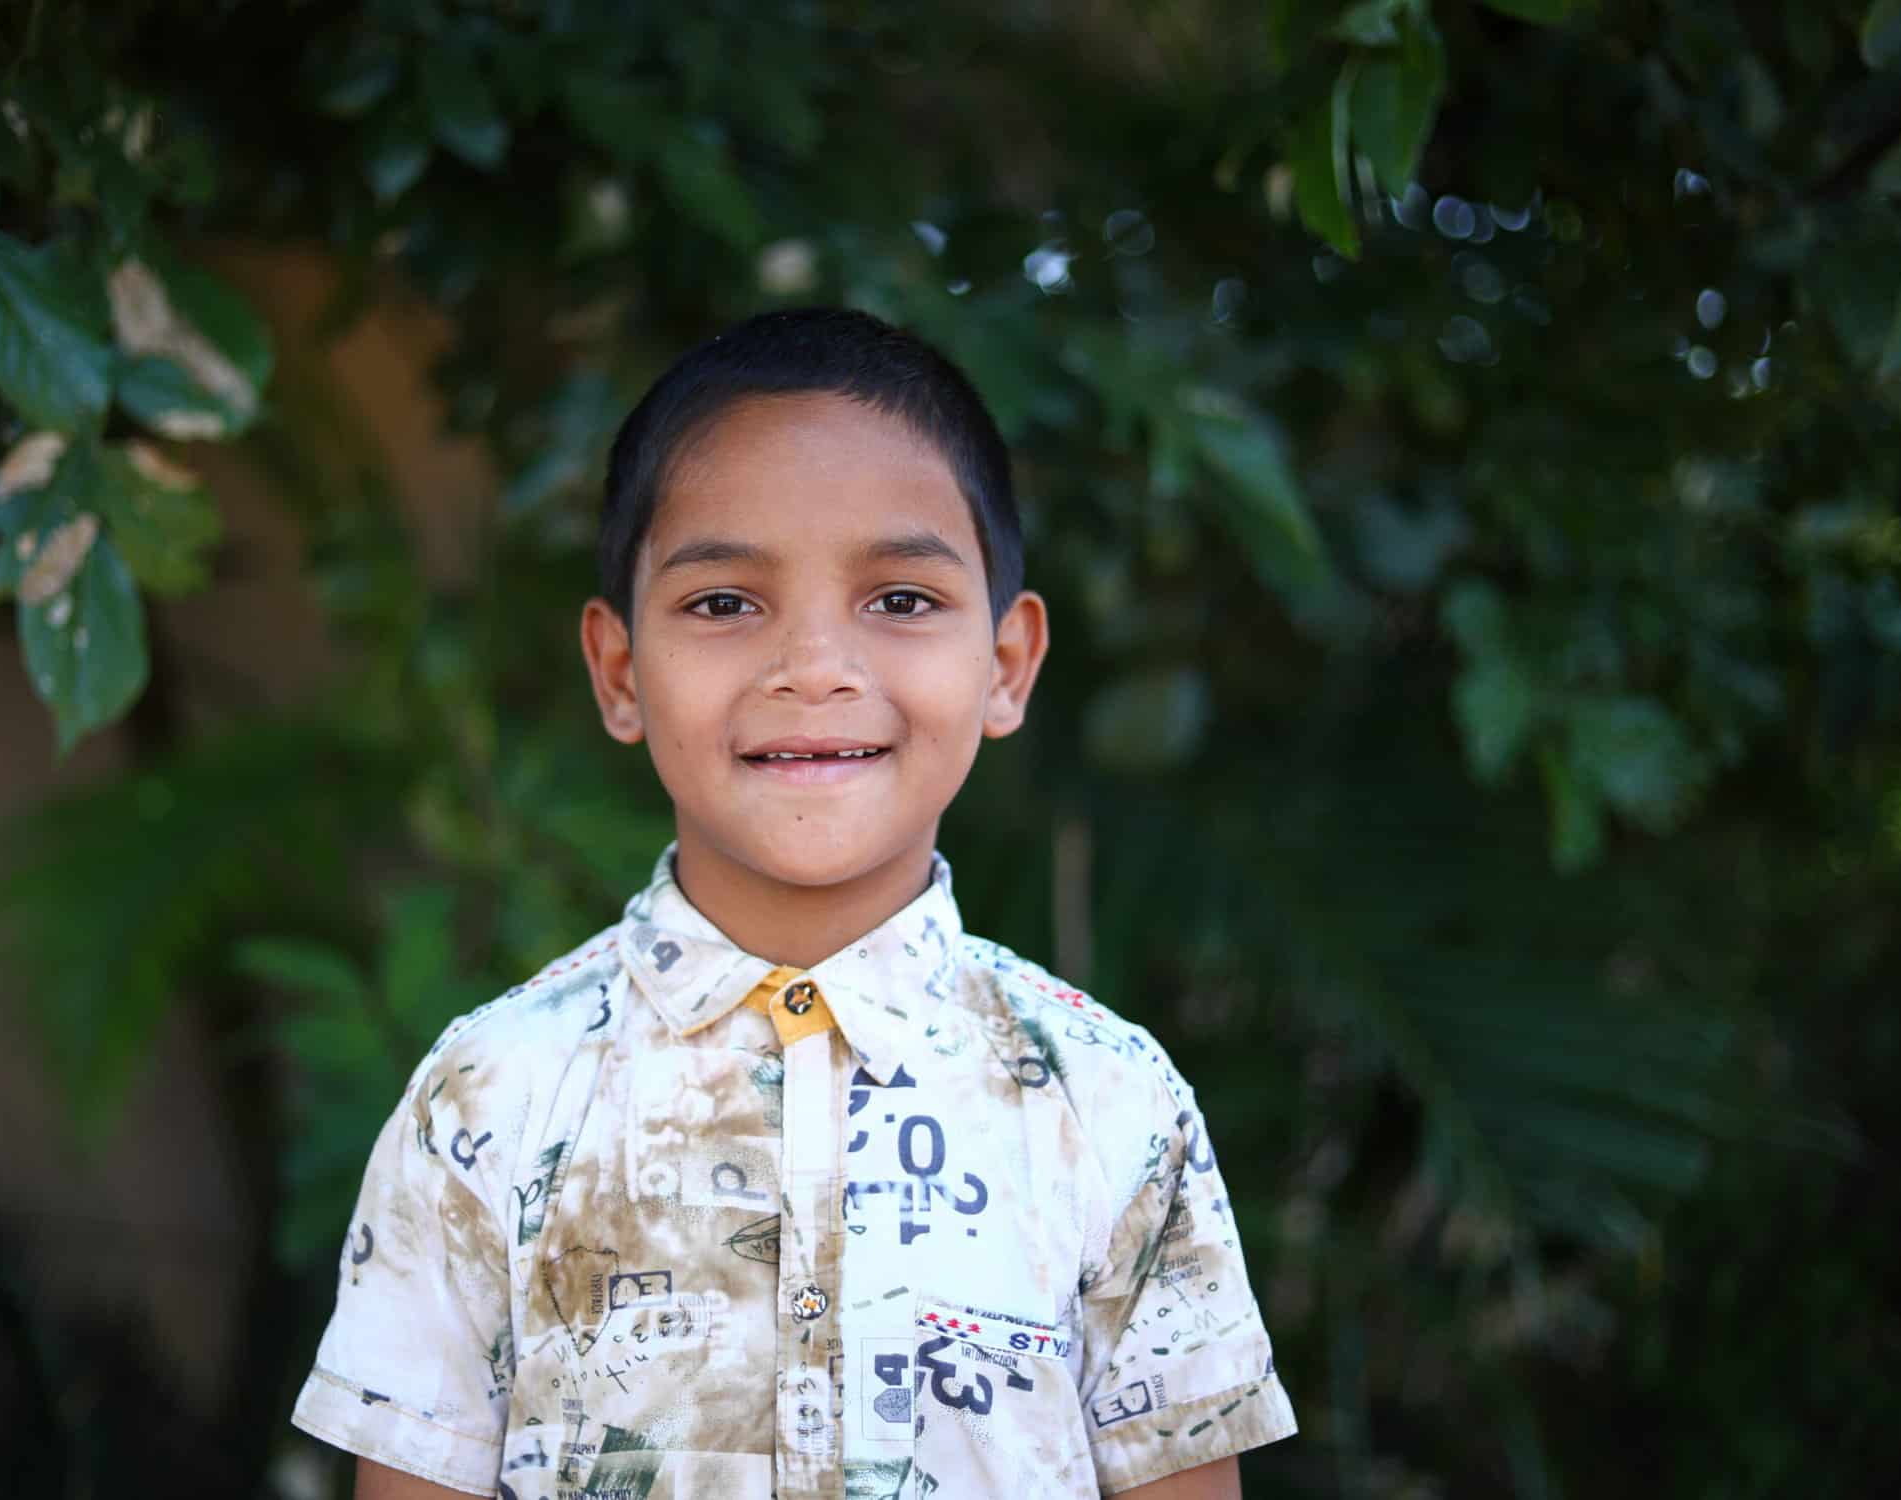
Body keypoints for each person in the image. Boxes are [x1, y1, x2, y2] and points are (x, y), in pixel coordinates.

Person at [289, 308, 1298, 1499]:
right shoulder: (488, 1100)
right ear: (619, 672)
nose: (814, 665)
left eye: (901, 600)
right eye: (724, 603)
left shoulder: (1112, 1107)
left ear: (1008, 665)